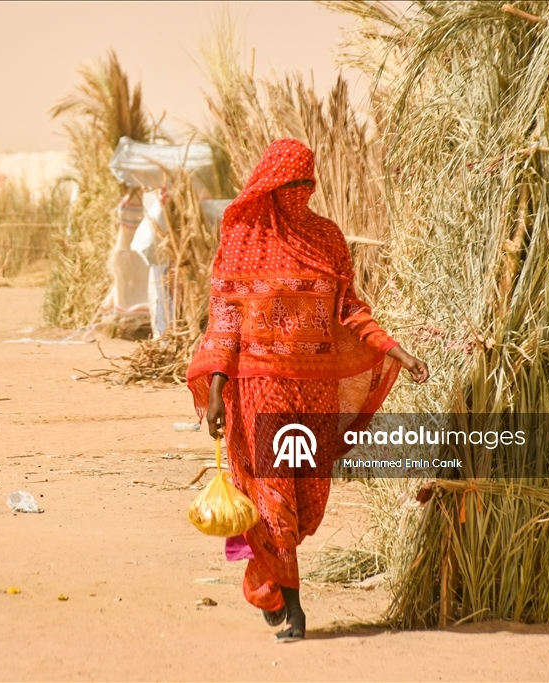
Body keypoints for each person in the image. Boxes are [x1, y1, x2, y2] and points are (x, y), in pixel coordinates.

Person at [186, 139, 429, 643]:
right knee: (275, 500)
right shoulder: (244, 238)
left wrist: (396, 352)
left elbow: (349, 310)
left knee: (307, 502)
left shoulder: (326, 237)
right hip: (261, 391)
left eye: (306, 184)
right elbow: (226, 325)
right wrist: (215, 391)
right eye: (289, 185)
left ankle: (265, 579)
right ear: (269, 188)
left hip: (315, 394)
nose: (299, 193)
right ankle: (294, 609)